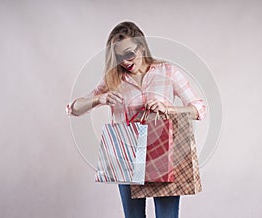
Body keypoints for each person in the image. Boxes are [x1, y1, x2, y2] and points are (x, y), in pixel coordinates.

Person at [66, 21, 206, 218]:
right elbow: (74, 109)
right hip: (128, 155)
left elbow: (199, 109)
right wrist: (100, 98)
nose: (125, 61)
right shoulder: (112, 79)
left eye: (129, 53)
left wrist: (169, 109)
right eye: (119, 56)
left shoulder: (167, 72)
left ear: (142, 46)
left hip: (163, 153)